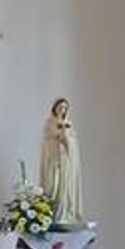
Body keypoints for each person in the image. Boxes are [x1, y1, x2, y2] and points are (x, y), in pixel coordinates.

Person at [39, 98, 84, 229]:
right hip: (54, 162)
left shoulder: (69, 123)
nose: (62, 110)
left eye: (64, 107)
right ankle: (52, 214)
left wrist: (68, 140)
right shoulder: (49, 123)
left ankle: (65, 215)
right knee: (53, 187)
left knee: (65, 188)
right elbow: (47, 141)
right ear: (55, 108)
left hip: (66, 163)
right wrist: (58, 136)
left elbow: (73, 143)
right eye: (60, 107)